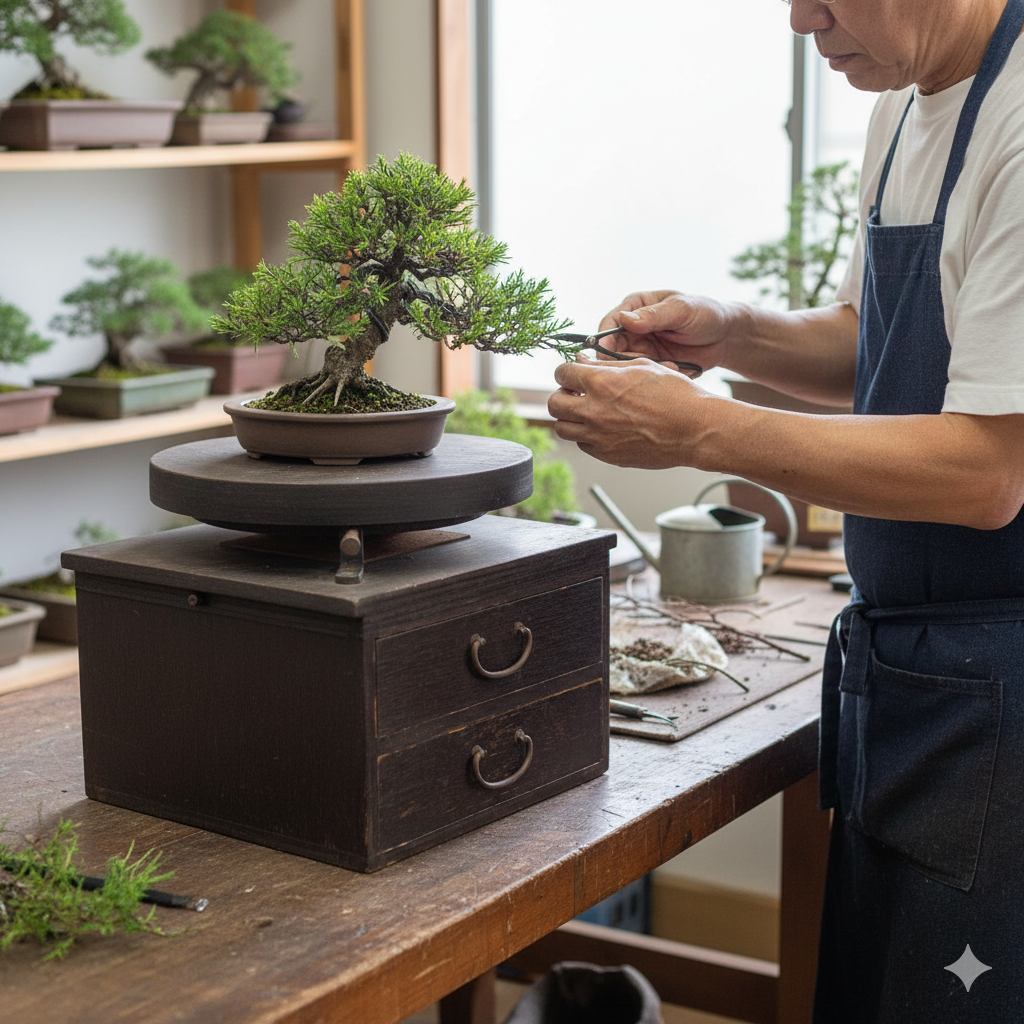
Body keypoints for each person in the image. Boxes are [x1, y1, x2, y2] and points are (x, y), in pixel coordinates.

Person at [548, 0, 1024, 1019]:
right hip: (918, 668)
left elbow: (987, 470)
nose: (800, 18)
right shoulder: (905, 96)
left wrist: (695, 433)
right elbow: (876, 337)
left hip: (1007, 685)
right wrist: (730, 331)